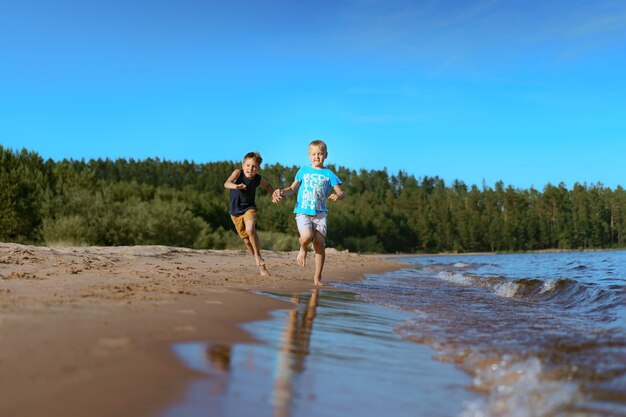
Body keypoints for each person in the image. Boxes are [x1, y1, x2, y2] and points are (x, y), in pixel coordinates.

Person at [272, 140, 345, 286]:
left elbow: (341, 192)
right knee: (306, 236)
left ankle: (317, 277)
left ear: (326, 155)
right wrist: (281, 191)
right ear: (309, 155)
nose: (317, 157)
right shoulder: (303, 171)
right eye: (314, 154)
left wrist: (338, 196)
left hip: (320, 214)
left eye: (320, 154)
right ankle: (303, 248)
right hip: (303, 212)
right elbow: (292, 189)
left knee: (319, 244)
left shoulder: (329, 174)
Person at [224, 151, 276, 276]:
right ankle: (261, 267)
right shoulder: (238, 173)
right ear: (243, 165)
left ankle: (258, 257)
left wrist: (273, 193)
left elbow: (268, 186)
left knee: (250, 229)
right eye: (248, 166)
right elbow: (226, 183)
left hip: (249, 208)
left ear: (258, 169)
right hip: (235, 213)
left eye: (254, 167)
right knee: (247, 241)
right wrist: (235, 186)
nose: (250, 169)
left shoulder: (257, 178)